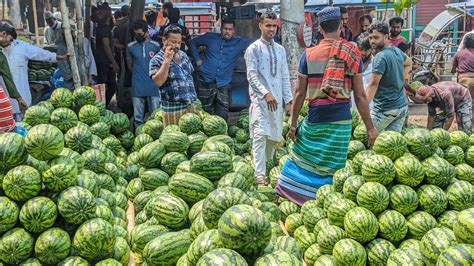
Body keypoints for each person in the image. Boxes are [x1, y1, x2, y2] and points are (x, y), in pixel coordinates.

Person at [274, 7, 377, 205]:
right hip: (341, 121)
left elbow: (299, 93)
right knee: (332, 166)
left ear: (320, 28)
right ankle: (324, 200)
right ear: (340, 26)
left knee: (300, 158)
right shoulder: (353, 53)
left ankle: (294, 194)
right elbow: (361, 96)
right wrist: (370, 128)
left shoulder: (309, 55)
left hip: (316, 118)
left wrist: (293, 124)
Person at [245, 11, 293, 185]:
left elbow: (285, 76)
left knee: (274, 137)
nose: (271, 29)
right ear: (260, 26)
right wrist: (265, 93)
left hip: (277, 102)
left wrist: (288, 101)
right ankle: (259, 175)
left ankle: (267, 168)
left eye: (274, 26)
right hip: (260, 102)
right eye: (268, 25)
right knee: (260, 135)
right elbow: (251, 76)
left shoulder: (280, 50)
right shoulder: (254, 49)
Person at [189, 17, 252, 120]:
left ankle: (222, 133)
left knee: (223, 111)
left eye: (230, 29)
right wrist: (197, 59)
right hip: (205, 78)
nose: (227, 31)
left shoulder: (239, 42)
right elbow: (192, 43)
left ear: (234, 31)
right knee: (205, 110)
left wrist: (276, 37)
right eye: (225, 29)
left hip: (223, 82)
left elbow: (257, 43)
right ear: (221, 29)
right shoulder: (210, 37)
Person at [0, 22, 66, 120]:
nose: (10, 42)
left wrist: (57, 57)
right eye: (10, 39)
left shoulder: (21, 46)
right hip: (5, 101)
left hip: (22, 96)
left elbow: (39, 53)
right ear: (3, 34)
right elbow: (7, 77)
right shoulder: (1, 54)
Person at [366, 22, 412, 133]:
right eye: (370, 38)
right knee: (389, 146)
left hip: (385, 110)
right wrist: (403, 79)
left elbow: (373, 85)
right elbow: (409, 63)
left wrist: (363, 107)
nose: (372, 41)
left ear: (386, 37)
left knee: (364, 137)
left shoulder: (380, 57)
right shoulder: (396, 51)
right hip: (401, 108)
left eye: (376, 37)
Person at [150, 25, 197, 126]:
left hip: (190, 107)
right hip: (172, 110)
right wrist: (167, 61)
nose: (177, 46)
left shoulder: (183, 55)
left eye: (179, 43)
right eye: (173, 42)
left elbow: (189, 77)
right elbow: (158, 82)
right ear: (164, 40)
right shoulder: (156, 60)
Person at [127, 20, 161, 129]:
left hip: (154, 86)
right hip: (137, 85)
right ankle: (139, 138)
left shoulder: (156, 46)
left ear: (146, 32)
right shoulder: (130, 47)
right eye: (135, 34)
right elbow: (129, 66)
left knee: (155, 118)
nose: (137, 36)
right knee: (138, 119)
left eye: (140, 34)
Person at [93, 2, 119, 106]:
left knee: (110, 86)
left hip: (105, 62)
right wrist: (114, 62)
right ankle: (101, 107)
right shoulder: (103, 28)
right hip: (104, 62)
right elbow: (106, 46)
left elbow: (117, 23)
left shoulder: (105, 27)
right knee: (104, 87)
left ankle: (103, 106)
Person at [452, 32, 474, 127]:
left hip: (464, 81)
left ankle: (461, 126)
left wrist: (457, 68)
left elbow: (452, 70)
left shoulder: (459, 54)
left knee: (461, 104)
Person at [351, 32, 373, 111]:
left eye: (366, 50)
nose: (363, 53)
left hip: (370, 109)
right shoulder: (351, 63)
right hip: (353, 108)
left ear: (371, 49)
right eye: (361, 49)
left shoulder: (376, 64)